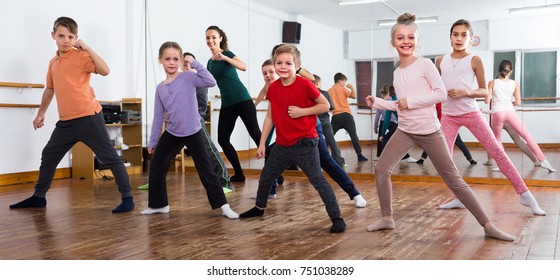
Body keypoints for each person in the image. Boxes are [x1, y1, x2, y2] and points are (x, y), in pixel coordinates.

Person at [365, 13, 514, 241]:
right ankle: (387, 218)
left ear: (417, 40)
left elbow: (440, 94)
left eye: (410, 37)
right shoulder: (396, 73)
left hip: (429, 131)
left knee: (453, 179)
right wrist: (378, 102)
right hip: (404, 131)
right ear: (393, 42)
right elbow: (400, 105)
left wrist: (411, 102)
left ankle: (488, 225)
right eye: (400, 37)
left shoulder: (425, 64)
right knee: (381, 169)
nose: (406, 41)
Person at [9, 17, 134, 213]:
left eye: (70, 36)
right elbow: (50, 90)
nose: (65, 40)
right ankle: (39, 197)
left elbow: (105, 70)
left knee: (109, 157)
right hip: (66, 122)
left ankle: (127, 198)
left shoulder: (81, 56)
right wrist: (41, 113)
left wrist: (87, 48)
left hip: (89, 118)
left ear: (76, 38)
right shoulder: (53, 63)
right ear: (53, 36)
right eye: (61, 36)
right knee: (48, 155)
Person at [437, 19, 546, 215]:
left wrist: (464, 92)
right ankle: (459, 197)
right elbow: (436, 89)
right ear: (450, 36)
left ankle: (525, 195)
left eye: (464, 35)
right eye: (455, 34)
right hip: (448, 116)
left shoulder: (475, 60)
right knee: (444, 160)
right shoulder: (440, 60)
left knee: (497, 151)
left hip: (471, 113)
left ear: (471, 38)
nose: (459, 38)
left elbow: (483, 92)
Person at [239, 44, 346, 233]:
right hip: (282, 144)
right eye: (279, 62)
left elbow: (325, 105)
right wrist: (262, 143)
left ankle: (337, 218)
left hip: (305, 143)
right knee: (266, 175)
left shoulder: (305, 84)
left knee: (317, 180)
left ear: (297, 65)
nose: (283, 66)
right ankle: (259, 207)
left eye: (288, 63)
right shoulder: (273, 88)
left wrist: (303, 112)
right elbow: (270, 117)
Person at [140, 42, 238, 219]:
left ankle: (224, 207)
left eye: (176, 59)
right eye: (167, 59)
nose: (171, 62)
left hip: (193, 130)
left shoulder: (188, 77)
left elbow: (210, 81)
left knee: (206, 170)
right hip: (172, 132)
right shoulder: (160, 88)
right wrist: (153, 141)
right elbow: (157, 117)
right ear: (160, 60)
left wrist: (194, 63)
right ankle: (159, 205)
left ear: (181, 60)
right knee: (156, 166)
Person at [205, 25, 262, 182]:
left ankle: (276, 173)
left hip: (243, 99)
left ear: (220, 38)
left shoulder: (227, 54)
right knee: (223, 139)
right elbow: (208, 81)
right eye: (208, 38)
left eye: (214, 37)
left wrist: (224, 57)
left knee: (257, 136)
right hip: (227, 103)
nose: (211, 40)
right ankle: (239, 173)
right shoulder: (209, 63)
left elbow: (243, 67)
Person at [485, 59, 555, 172]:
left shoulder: (492, 82)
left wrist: (493, 98)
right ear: (510, 71)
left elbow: (487, 100)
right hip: (510, 112)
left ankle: (502, 164)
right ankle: (543, 161)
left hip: (497, 113)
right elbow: (518, 103)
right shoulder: (515, 84)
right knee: (527, 136)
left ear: (499, 70)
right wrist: (509, 102)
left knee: (497, 140)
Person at [183, 51, 233, 192]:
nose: (186, 67)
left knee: (210, 152)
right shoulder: (180, 81)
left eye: (189, 64)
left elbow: (202, 103)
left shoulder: (199, 80)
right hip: (180, 124)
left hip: (196, 123)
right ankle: (155, 183)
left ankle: (225, 183)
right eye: (184, 65)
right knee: (163, 153)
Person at [328, 73, 368, 162]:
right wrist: (352, 87)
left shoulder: (329, 91)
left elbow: (328, 106)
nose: (345, 84)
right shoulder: (343, 89)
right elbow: (354, 96)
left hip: (336, 117)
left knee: (329, 136)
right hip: (347, 116)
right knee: (354, 136)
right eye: (344, 82)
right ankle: (360, 155)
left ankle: (322, 156)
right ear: (340, 81)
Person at [377, 84, 417, 162]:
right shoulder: (398, 101)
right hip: (406, 124)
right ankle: (405, 158)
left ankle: (384, 161)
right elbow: (387, 120)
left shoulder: (394, 102)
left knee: (386, 139)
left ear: (389, 93)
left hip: (405, 124)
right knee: (395, 140)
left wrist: (382, 135)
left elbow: (386, 121)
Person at [314, 74, 346, 168]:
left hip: (314, 122)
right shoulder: (324, 93)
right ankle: (339, 161)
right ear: (318, 83)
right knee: (331, 141)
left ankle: (316, 162)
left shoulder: (308, 94)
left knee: (314, 142)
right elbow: (332, 107)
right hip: (325, 121)